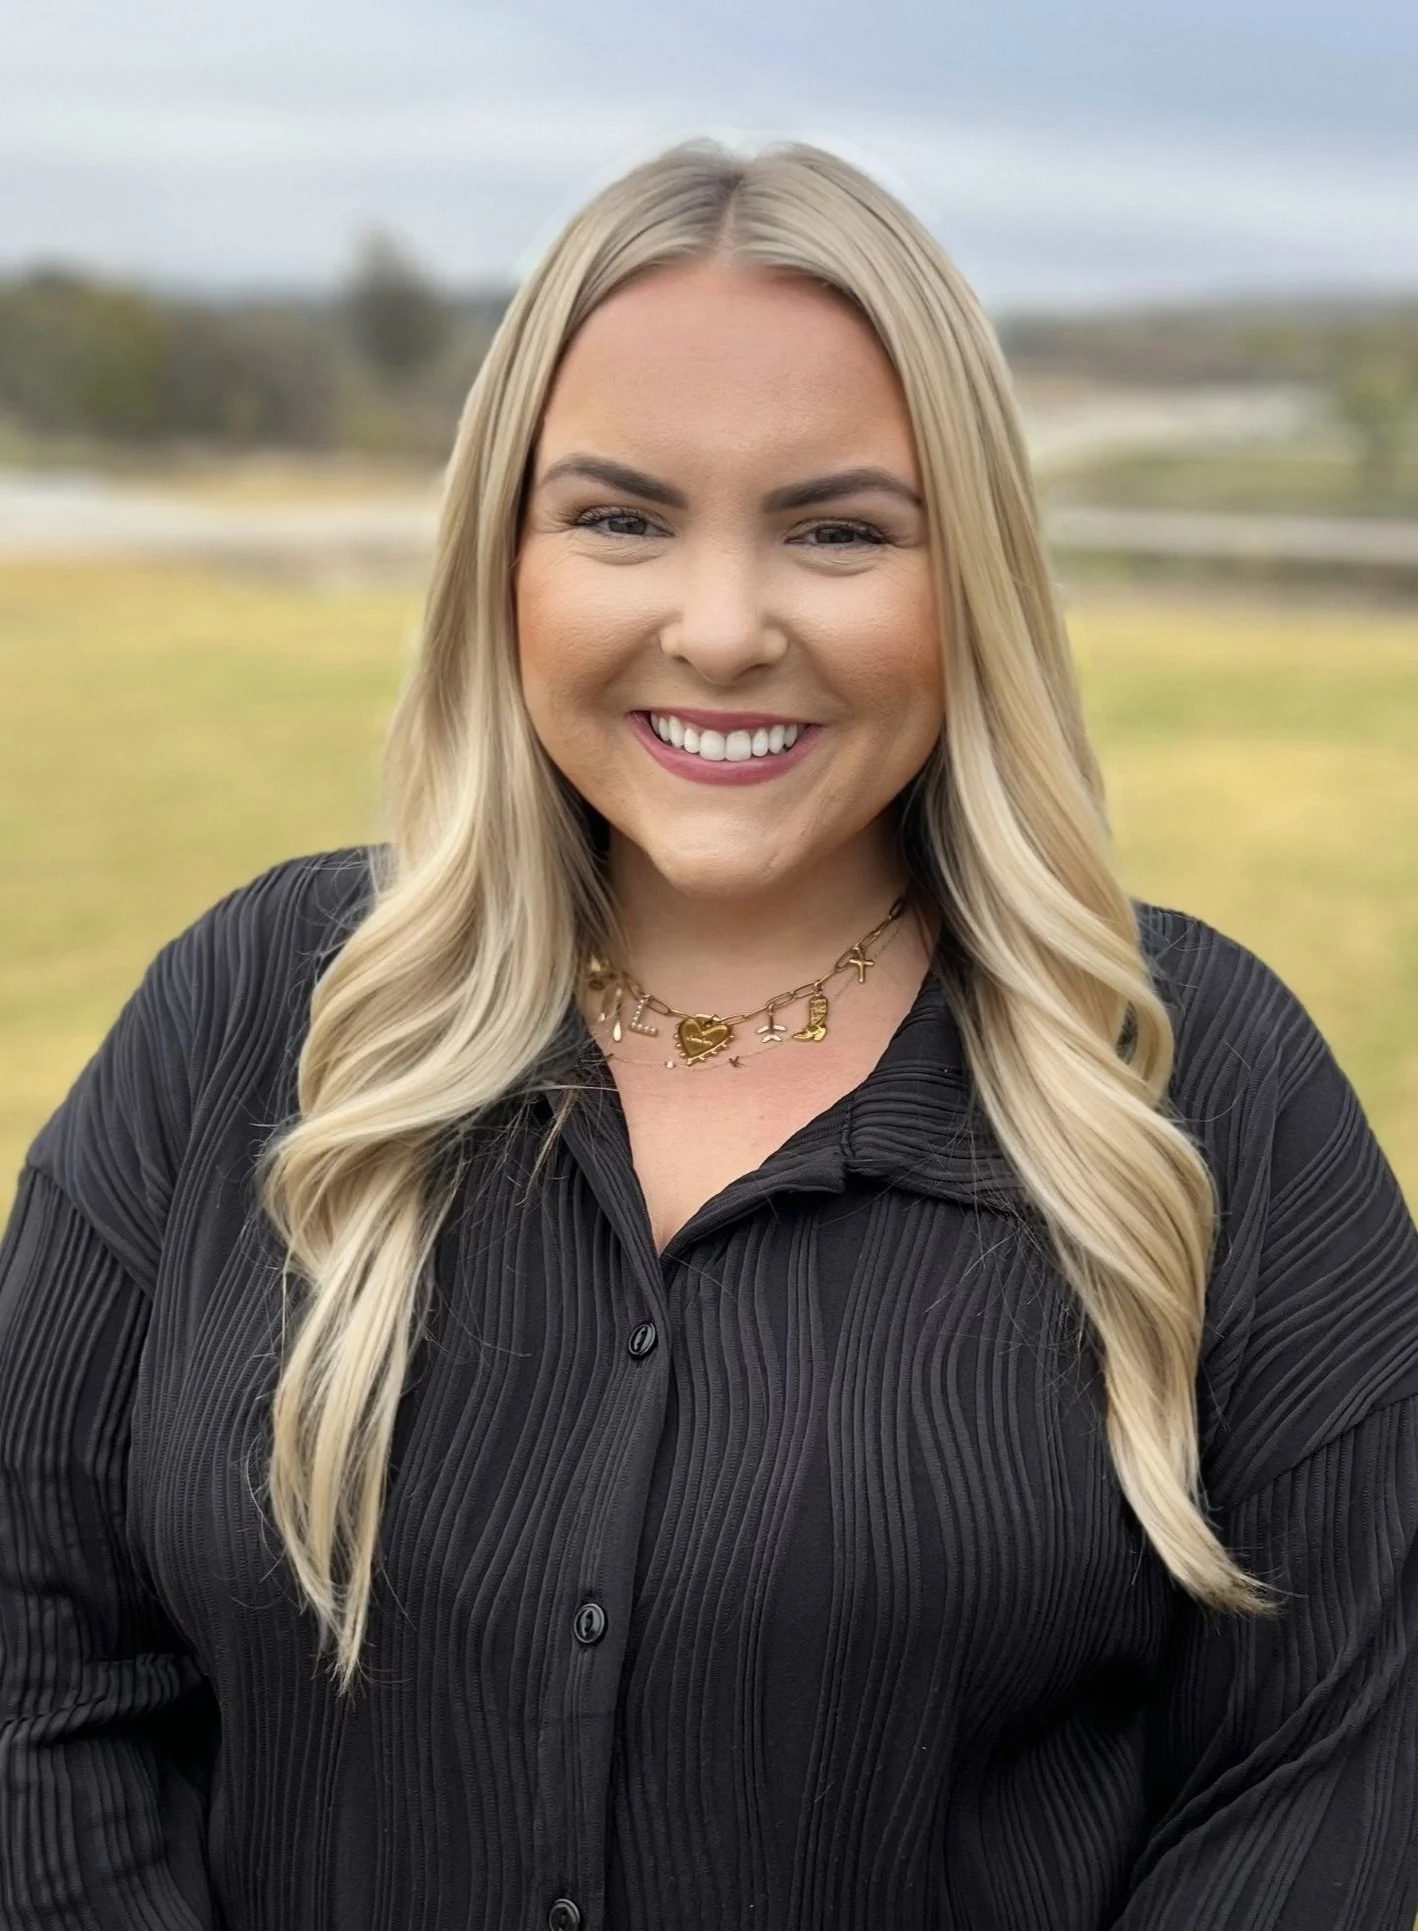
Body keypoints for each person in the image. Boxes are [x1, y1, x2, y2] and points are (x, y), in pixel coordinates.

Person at [2, 139, 1416, 1931]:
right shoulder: (245, 1017)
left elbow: (1308, 1797)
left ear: (964, 569)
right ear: (498, 560)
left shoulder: (1205, 1090)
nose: (725, 628)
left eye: (837, 530)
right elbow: (38, 1670)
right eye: (619, 518)